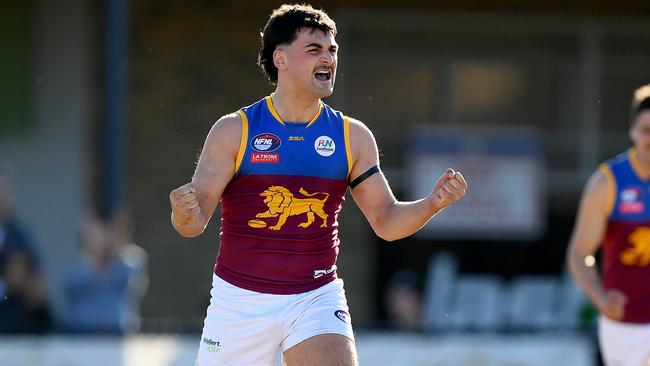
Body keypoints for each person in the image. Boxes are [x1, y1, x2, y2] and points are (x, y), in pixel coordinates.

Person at [169, 4, 467, 366]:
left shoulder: (352, 136)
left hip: (315, 296)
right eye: (314, 50)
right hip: (239, 301)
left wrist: (432, 203)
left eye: (332, 50)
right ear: (281, 59)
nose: (328, 58)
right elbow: (193, 222)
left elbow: (387, 221)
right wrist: (182, 210)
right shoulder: (235, 129)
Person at [567, 84, 650, 366]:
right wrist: (599, 296)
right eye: (646, 130)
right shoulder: (607, 183)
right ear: (633, 132)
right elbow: (579, 254)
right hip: (624, 325)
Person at [62, 212, 137, 334]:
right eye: (93, 235)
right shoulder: (75, 272)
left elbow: (132, 280)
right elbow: (70, 287)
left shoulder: (126, 264)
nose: (99, 239)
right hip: (81, 338)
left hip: (116, 337)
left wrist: (117, 243)